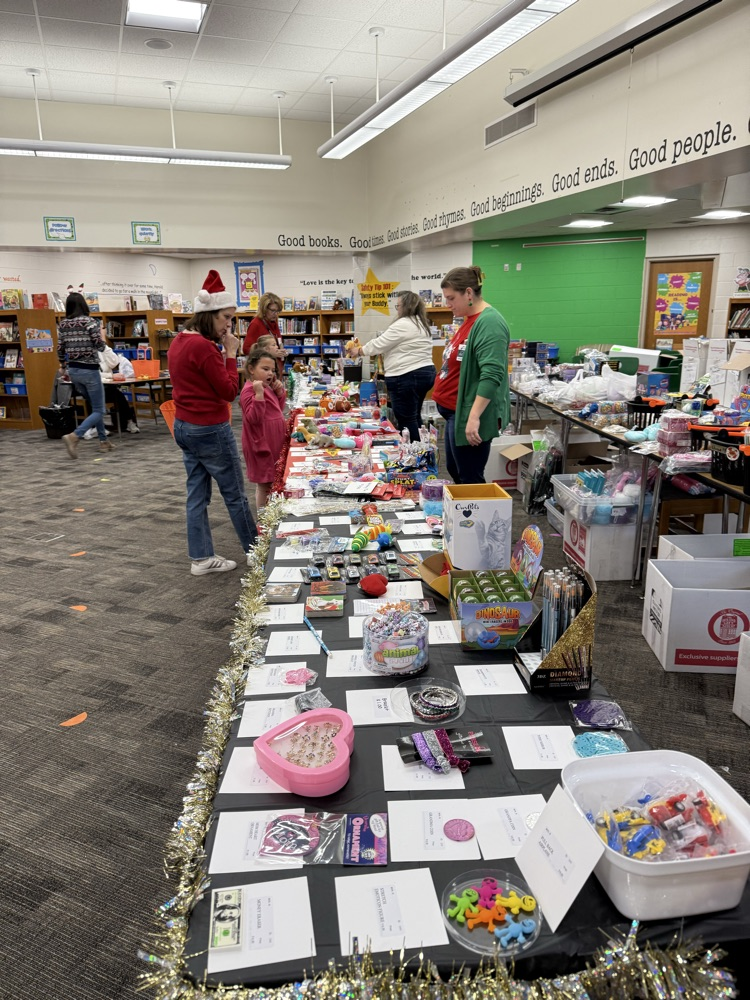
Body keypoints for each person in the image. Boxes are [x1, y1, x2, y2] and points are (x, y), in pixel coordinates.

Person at [168, 269, 257, 576]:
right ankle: (255, 551)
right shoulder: (204, 348)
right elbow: (229, 390)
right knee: (234, 493)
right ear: (208, 315)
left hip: (184, 425)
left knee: (196, 494)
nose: (229, 325)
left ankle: (201, 557)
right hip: (210, 428)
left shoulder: (180, 340)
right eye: (226, 318)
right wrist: (231, 355)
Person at [431, 265, 510, 484]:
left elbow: (492, 374)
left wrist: (473, 417)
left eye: (451, 298)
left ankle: (473, 519)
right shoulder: (469, 319)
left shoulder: (489, 322)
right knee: (456, 470)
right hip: (454, 412)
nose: (448, 305)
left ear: (468, 293)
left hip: (468, 414)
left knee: (470, 477)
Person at [346, 290, 436, 443]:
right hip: (425, 373)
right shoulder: (421, 323)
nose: (398, 309)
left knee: (406, 419)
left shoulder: (403, 324)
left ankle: (414, 457)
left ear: (406, 307)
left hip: (406, 375)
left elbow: (379, 344)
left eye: (398, 306)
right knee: (414, 416)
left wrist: (358, 351)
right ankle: (423, 452)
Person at [57, 292, 115, 458]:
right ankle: (75, 435)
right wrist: (103, 338)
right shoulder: (90, 322)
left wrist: (63, 365)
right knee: (99, 410)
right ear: (84, 305)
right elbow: (99, 345)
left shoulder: (63, 324)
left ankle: (104, 442)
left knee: (94, 407)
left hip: (74, 371)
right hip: (89, 369)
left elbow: (60, 348)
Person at [240, 347, 287, 511]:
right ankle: (263, 519)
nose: (270, 373)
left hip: (274, 440)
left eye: (272, 370)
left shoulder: (267, 387)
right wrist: (259, 395)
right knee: (264, 484)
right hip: (261, 445)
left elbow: (277, 410)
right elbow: (253, 418)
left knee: (275, 479)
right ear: (251, 369)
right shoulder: (249, 391)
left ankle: (273, 512)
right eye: (265, 369)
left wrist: (279, 393)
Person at [83, 344, 139, 438]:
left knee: (119, 396)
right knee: (93, 398)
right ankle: (94, 427)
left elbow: (114, 362)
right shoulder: (85, 353)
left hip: (107, 385)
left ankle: (129, 421)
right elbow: (93, 374)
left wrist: (105, 347)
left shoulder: (102, 349)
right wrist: (110, 376)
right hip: (92, 386)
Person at [241, 292, 286, 376]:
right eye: (273, 311)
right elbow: (247, 349)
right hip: (263, 373)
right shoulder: (256, 324)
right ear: (264, 309)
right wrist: (269, 353)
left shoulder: (273, 322)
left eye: (278, 311)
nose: (276, 314)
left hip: (275, 369)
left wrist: (281, 351)